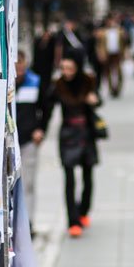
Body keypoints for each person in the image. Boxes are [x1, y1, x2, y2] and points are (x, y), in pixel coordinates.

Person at [37, 54, 100, 238]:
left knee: (88, 174)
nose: (66, 72)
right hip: (68, 134)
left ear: (78, 68)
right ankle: (73, 221)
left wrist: (94, 101)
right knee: (69, 177)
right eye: (63, 68)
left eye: (70, 68)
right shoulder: (59, 86)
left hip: (87, 132)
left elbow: (98, 100)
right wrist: (41, 129)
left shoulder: (88, 82)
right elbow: (47, 110)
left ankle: (84, 211)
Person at [14, 50, 45, 223]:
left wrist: (40, 129)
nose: (19, 71)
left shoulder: (34, 82)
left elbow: (45, 107)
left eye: (21, 67)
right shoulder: (5, 83)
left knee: (28, 183)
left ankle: (28, 222)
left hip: (28, 140)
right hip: (8, 142)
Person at [95, 14, 128, 98]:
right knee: (108, 72)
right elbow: (98, 45)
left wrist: (125, 53)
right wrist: (100, 54)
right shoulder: (102, 32)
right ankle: (111, 89)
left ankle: (118, 89)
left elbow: (125, 43)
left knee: (119, 72)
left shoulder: (121, 31)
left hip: (117, 53)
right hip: (107, 53)